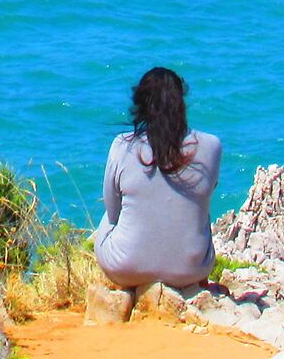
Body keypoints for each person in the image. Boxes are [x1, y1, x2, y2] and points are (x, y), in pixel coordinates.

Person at [93, 66, 220, 289]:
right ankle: (194, 282)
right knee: (199, 208)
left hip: (125, 268)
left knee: (108, 217)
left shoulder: (122, 146)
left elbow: (113, 213)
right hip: (190, 271)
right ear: (181, 102)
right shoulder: (212, 145)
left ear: (141, 104)